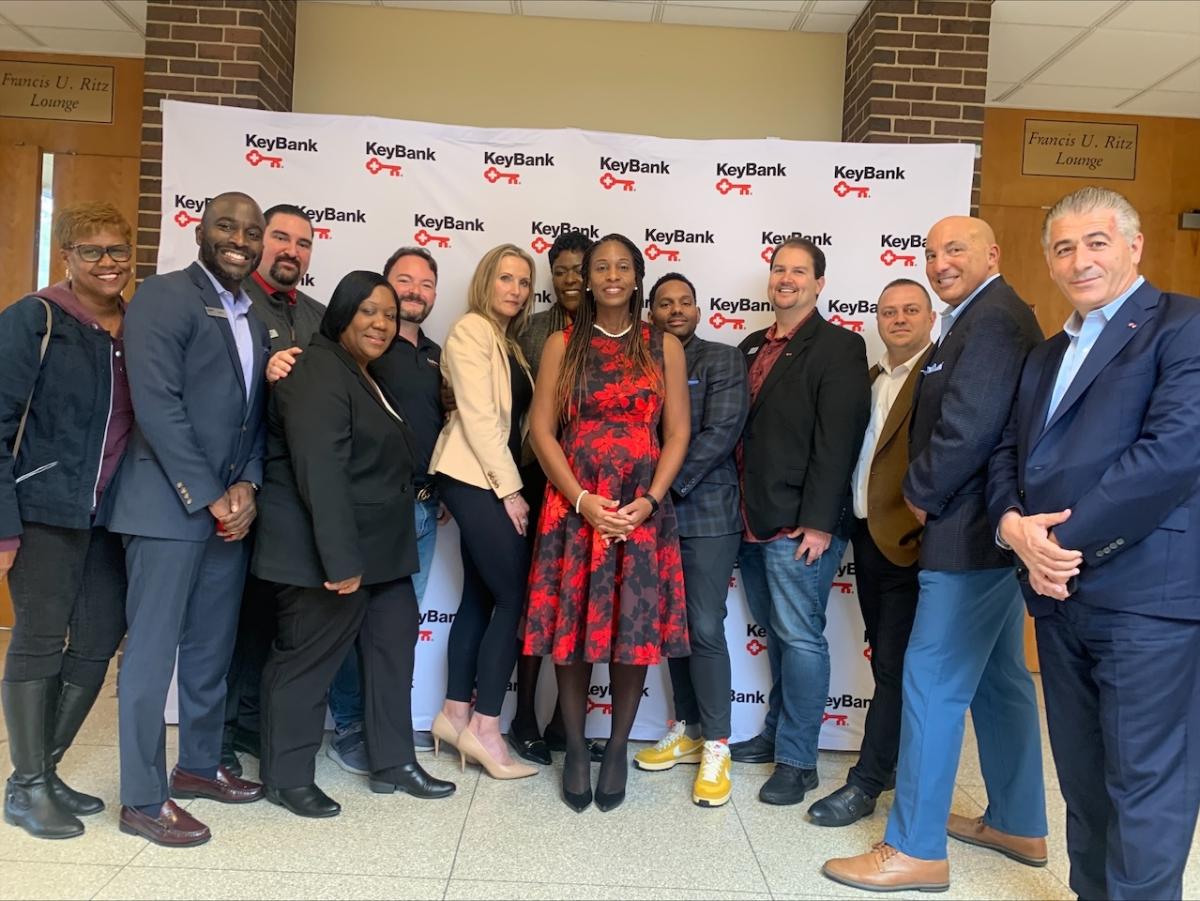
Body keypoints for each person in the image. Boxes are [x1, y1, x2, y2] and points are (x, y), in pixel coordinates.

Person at [988, 187, 1200, 900]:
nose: (1080, 260)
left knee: (1144, 782)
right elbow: (1008, 455)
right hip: (1059, 601)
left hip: (1146, 601)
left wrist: (1058, 548)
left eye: (1097, 242)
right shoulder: (1047, 355)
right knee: (1081, 778)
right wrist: (1013, 528)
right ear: (1048, 260)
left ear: (1134, 246)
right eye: (1064, 247)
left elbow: (1170, 454)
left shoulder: (1184, 326)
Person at [824, 216, 1046, 893]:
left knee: (930, 679)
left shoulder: (994, 320)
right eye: (932, 252)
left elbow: (970, 427)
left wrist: (917, 494)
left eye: (956, 249)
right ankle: (1018, 820)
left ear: (992, 253)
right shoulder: (981, 316)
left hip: (965, 536)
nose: (940, 262)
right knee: (1003, 680)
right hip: (989, 537)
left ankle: (913, 848)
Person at [253, 270, 454, 818]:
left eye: (388, 314)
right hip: (326, 555)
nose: (381, 323)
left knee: (392, 650)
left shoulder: (363, 374)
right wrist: (341, 561)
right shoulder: (315, 370)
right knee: (307, 663)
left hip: (381, 553)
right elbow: (321, 471)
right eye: (368, 310)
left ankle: (392, 762)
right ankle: (286, 777)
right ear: (341, 312)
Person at [106, 192, 268, 847]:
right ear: (199, 230)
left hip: (228, 512)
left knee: (210, 649)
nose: (240, 239)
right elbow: (158, 405)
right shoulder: (162, 297)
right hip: (167, 507)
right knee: (150, 656)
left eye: (251, 231)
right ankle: (143, 799)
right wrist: (208, 493)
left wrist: (249, 484)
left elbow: (255, 414)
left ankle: (198, 765)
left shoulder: (252, 314)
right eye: (227, 226)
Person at [524, 233, 690, 813]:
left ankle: (616, 747)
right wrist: (580, 500)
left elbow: (678, 434)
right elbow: (542, 431)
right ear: (585, 278)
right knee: (570, 635)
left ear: (637, 276)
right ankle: (573, 745)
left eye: (623, 266)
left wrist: (647, 500)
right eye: (601, 267)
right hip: (576, 509)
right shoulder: (561, 344)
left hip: (640, 511)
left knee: (631, 632)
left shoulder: (661, 344)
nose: (612, 275)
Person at [0, 202, 134, 839]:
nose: (107, 263)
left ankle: (44, 769)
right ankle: (26, 787)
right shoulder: (37, 319)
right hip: (44, 511)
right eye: (92, 251)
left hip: (108, 519)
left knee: (98, 637)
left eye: (117, 251)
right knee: (38, 638)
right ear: (68, 257)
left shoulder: (135, 327)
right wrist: (4, 525)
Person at [729, 238, 871, 808]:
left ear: (818, 284)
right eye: (778, 269)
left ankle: (798, 761)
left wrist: (818, 523)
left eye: (798, 271)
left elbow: (839, 442)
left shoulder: (839, 347)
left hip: (800, 527)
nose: (785, 279)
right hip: (749, 518)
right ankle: (774, 734)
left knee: (800, 639)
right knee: (783, 638)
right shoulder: (748, 346)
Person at [807, 279, 934, 827]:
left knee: (893, 664)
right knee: (888, 658)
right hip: (869, 539)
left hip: (914, 545)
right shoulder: (872, 378)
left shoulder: (938, 380)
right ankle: (900, 765)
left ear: (932, 318)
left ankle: (867, 783)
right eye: (889, 311)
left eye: (911, 310)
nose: (899, 319)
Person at [325, 246, 448, 775]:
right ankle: (351, 725)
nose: (414, 291)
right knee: (355, 626)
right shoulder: (367, 349)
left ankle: (385, 728)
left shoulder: (438, 354)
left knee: (396, 631)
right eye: (404, 281)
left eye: (425, 283)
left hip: (424, 510)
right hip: (377, 512)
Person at [634, 272, 748, 808]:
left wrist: (662, 489)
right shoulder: (638, 360)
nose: (675, 310)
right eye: (664, 303)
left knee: (703, 624)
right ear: (650, 312)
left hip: (703, 512)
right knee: (672, 626)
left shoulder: (722, 360)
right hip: (648, 514)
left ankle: (718, 744)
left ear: (698, 310)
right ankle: (689, 728)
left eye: (685, 302)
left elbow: (720, 434)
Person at [222, 202, 326, 777]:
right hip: (235, 489)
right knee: (229, 621)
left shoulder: (316, 314)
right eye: (281, 237)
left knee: (273, 620)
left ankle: (255, 729)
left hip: (291, 497)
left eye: (303, 242)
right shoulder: (232, 304)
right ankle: (214, 740)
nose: (291, 249)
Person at [428, 244, 538, 782]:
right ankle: (487, 728)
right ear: (485, 283)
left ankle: (453, 714)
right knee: (516, 596)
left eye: (523, 281)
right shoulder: (471, 330)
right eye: (505, 278)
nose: (515, 290)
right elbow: (478, 418)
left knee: (480, 593)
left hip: (480, 476)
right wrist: (510, 491)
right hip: (475, 476)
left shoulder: (505, 341)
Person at [509, 229, 601, 766]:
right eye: (561, 270)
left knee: (586, 607)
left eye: (579, 269)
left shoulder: (614, 330)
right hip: (538, 478)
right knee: (535, 603)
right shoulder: (532, 331)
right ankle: (523, 717)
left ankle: (566, 726)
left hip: (592, 486)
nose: (570, 279)